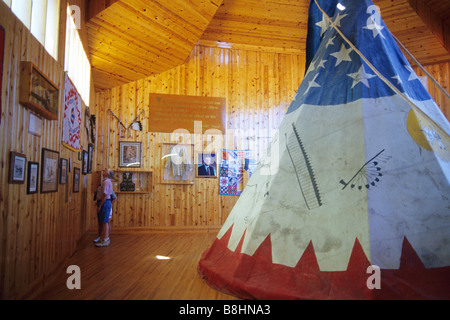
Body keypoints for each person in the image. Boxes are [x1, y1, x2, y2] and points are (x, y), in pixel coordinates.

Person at [94, 169, 115, 247]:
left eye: (105, 171)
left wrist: (100, 206)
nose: (104, 171)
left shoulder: (106, 182)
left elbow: (105, 195)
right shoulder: (105, 181)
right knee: (103, 221)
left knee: (105, 221)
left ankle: (105, 239)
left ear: (107, 174)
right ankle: (104, 238)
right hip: (104, 202)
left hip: (105, 202)